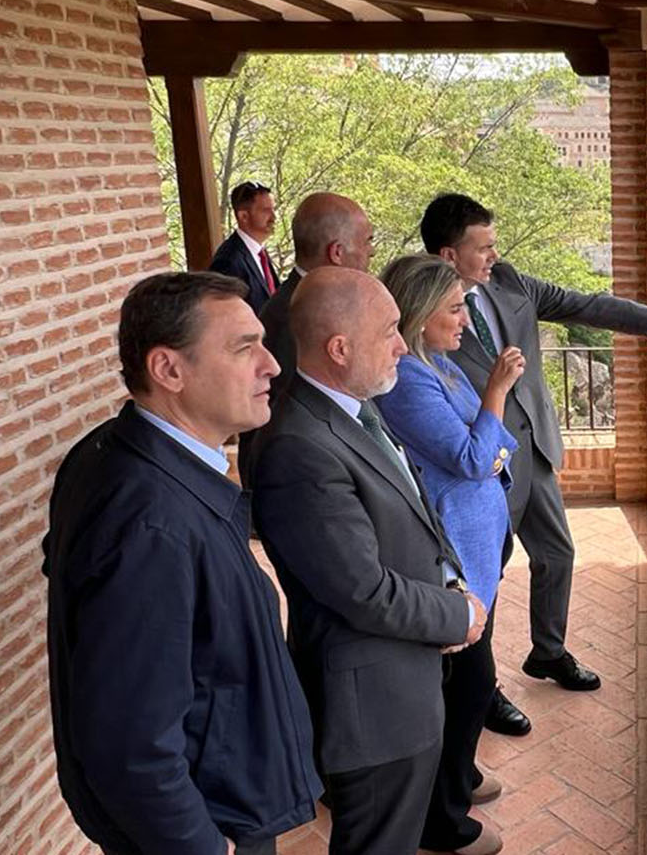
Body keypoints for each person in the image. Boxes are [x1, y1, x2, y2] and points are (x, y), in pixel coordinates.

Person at [420, 193, 647, 733]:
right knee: (480, 578)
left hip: (532, 449)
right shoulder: (421, 313)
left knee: (557, 552)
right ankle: (481, 687)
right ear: (448, 255)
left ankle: (548, 650)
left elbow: (590, 305)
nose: (494, 254)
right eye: (483, 247)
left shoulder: (510, 282)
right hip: (479, 467)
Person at [43, 272, 320, 855]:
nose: (271, 365)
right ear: (169, 370)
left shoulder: (114, 452)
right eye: (245, 348)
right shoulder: (151, 523)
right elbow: (130, 748)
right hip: (205, 827)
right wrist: (200, 845)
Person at [250, 267, 496, 855]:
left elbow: (412, 514)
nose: (403, 345)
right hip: (371, 711)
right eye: (389, 330)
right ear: (340, 348)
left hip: (401, 684)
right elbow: (360, 589)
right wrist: (455, 615)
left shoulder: (354, 404)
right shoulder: (300, 448)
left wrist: (451, 579)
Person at [375, 254, 523, 847]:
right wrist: (496, 394)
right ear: (420, 314)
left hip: (479, 545)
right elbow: (469, 458)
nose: (466, 320)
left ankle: (458, 778)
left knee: (469, 679)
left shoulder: (440, 364)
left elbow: (498, 449)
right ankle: (442, 816)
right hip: (455, 553)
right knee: (466, 683)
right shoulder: (411, 379)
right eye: (455, 308)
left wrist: (486, 444)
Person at [239, 192, 375, 488]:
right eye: (367, 241)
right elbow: (302, 416)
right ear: (337, 253)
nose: (372, 252)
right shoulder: (295, 316)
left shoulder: (319, 302)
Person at [209, 181, 280, 313]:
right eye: (266, 210)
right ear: (243, 216)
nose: (274, 217)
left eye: (273, 209)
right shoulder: (228, 261)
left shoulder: (258, 252)